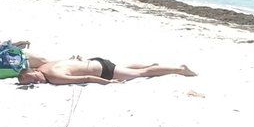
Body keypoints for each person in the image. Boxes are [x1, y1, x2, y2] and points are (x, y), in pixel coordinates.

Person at [17, 57, 198, 85]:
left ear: (31, 73)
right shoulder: (44, 66)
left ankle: (180, 69)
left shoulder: (53, 77)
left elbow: (85, 78)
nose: (36, 82)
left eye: (32, 80)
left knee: (142, 74)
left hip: (103, 71)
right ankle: (151, 64)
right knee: (127, 68)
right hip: (96, 60)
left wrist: (107, 82)